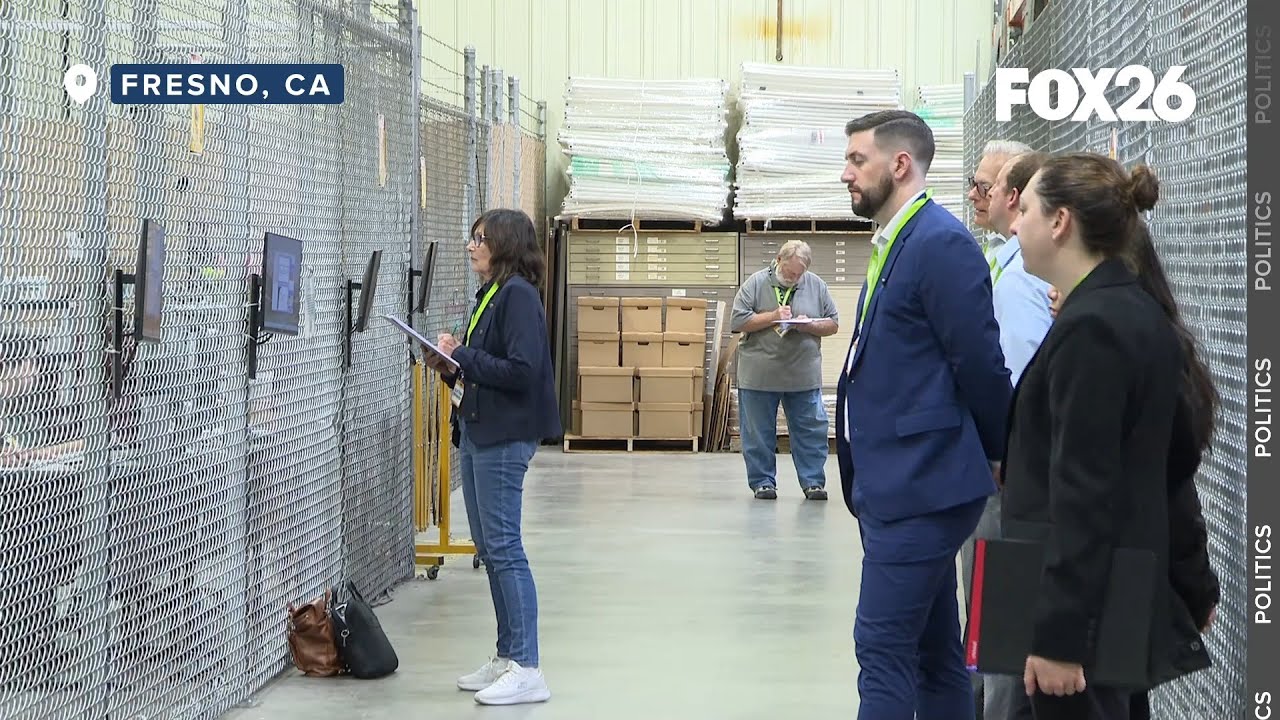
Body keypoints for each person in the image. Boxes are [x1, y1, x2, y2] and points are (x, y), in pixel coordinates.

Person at [1002, 155, 1213, 719]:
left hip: (1082, 622)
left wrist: (1059, 637)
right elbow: (1171, 472)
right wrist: (1194, 580)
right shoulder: (1131, 311)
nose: (1014, 223)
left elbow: (1084, 492)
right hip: (1113, 603)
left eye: (1024, 209)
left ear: (1060, 222)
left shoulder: (1092, 328)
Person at [835, 109, 1012, 719]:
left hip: (922, 485)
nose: (846, 174)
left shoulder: (940, 244)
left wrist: (998, 451)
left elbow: (982, 365)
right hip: (898, 482)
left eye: (858, 160)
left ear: (900, 164)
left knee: (881, 646)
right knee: (935, 652)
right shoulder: (899, 239)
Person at [432, 208, 562, 706]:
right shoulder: (490, 295)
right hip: (478, 429)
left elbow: (523, 370)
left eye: (480, 238)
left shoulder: (518, 297)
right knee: (490, 547)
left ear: (504, 245)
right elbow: (483, 369)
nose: (471, 246)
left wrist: (463, 355)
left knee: (505, 547)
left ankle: (528, 666)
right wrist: (449, 365)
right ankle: (508, 654)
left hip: (505, 437)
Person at [961, 149, 1054, 720]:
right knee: (985, 611)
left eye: (985, 186)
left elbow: (1016, 370)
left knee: (997, 616)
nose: (979, 196)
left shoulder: (1022, 275)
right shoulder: (1004, 261)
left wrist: (1001, 447)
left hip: (1008, 469)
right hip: (1002, 465)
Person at [729, 239, 840, 501]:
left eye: (799, 274)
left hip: (803, 375)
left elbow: (833, 323)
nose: (794, 278)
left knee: (811, 431)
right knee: (757, 433)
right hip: (759, 375)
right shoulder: (755, 283)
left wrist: (807, 324)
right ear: (778, 260)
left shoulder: (816, 285)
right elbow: (737, 321)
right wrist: (773, 317)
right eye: (790, 273)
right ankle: (763, 483)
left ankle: (813, 482)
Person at [967, 140, 1032, 266]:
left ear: (1015, 195)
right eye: (974, 184)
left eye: (985, 186)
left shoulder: (1029, 258)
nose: (972, 195)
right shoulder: (995, 243)